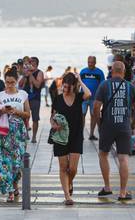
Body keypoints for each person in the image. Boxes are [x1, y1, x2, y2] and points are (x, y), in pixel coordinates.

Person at [93, 61, 135, 201]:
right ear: (124, 71)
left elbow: (96, 107)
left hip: (107, 125)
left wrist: (99, 123)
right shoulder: (130, 86)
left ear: (111, 70)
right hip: (124, 126)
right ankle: (122, 192)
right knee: (123, 158)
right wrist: (132, 124)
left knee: (103, 154)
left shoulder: (104, 85)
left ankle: (107, 187)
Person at [51, 73, 91, 205]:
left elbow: (89, 94)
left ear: (74, 86)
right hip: (60, 136)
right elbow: (53, 116)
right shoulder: (57, 98)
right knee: (63, 167)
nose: (65, 89)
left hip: (76, 135)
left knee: (72, 169)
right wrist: (54, 124)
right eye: (64, 86)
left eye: (68, 87)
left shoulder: (79, 97)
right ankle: (67, 196)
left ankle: (70, 181)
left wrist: (80, 80)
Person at [0, 67, 30, 202]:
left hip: (19, 132)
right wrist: (2, 111)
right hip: (4, 131)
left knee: (17, 162)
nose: (9, 85)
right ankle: (10, 190)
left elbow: (28, 114)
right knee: (4, 162)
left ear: (17, 81)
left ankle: (15, 185)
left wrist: (16, 111)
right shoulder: (0, 96)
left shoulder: (23, 94)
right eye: (7, 82)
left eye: (12, 82)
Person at [19, 56, 44, 143]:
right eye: (29, 62)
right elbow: (20, 84)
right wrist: (25, 75)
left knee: (35, 118)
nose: (30, 63)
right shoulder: (26, 72)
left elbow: (37, 85)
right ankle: (25, 134)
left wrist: (31, 75)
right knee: (24, 116)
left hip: (35, 98)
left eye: (32, 62)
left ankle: (34, 137)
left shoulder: (39, 73)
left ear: (36, 64)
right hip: (26, 98)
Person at [80, 56, 105, 140]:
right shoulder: (83, 71)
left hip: (94, 99)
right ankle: (81, 135)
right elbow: (78, 84)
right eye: (89, 62)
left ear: (95, 62)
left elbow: (102, 86)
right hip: (83, 98)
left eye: (92, 62)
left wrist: (101, 98)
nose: (90, 64)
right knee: (82, 115)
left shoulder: (100, 72)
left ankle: (91, 134)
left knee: (93, 116)